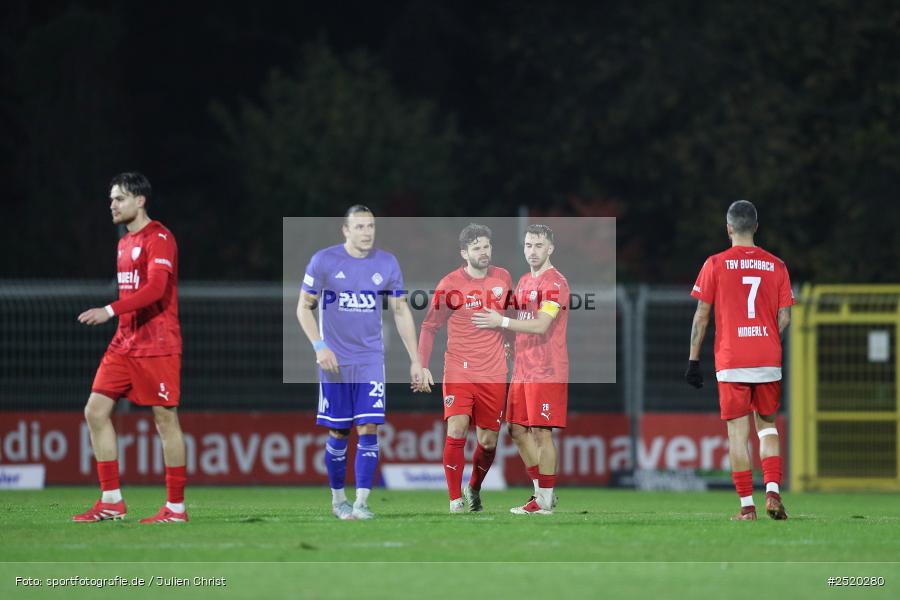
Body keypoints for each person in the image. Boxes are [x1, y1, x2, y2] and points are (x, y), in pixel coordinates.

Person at [73, 172, 188, 524]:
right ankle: (111, 500)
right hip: (124, 343)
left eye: (119, 198)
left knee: (164, 419)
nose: (112, 205)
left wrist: (108, 310)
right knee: (94, 411)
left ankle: (176, 508)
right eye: (111, 199)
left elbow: (155, 290)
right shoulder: (123, 243)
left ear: (140, 200)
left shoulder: (160, 238)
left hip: (157, 343)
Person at [296, 206, 424, 520]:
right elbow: (303, 308)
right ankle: (339, 499)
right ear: (346, 230)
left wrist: (416, 360)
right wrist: (319, 346)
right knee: (339, 433)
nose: (367, 232)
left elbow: (400, 311)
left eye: (371, 226)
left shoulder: (387, 263)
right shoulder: (323, 261)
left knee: (369, 427)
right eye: (360, 226)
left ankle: (362, 503)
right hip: (335, 363)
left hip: (370, 361)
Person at [685, 200, 792, 521]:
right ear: (756, 227)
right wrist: (769, 340)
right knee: (768, 427)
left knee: (737, 433)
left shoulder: (715, 264)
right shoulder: (777, 265)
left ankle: (747, 507)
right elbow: (784, 317)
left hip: (732, 359)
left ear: (729, 228)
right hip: (767, 357)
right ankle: (772, 491)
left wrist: (693, 360)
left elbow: (702, 317)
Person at [416, 224, 513, 513]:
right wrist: (421, 365)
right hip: (459, 368)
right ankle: (454, 499)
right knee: (456, 430)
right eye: (476, 247)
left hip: (494, 371)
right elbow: (430, 325)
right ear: (464, 252)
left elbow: (507, 316)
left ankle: (473, 488)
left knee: (488, 440)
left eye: (486, 246)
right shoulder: (449, 284)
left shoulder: (503, 277)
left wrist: (510, 341)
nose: (483, 252)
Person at [473, 224, 569, 515]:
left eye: (538, 245)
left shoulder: (556, 283)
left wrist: (501, 323)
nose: (532, 250)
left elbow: (541, 324)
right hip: (523, 369)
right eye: (528, 245)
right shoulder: (525, 281)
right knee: (516, 430)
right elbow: (520, 319)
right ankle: (541, 493)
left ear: (550, 248)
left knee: (541, 432)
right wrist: (509, 341)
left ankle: (545, 500)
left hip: (546, 369)